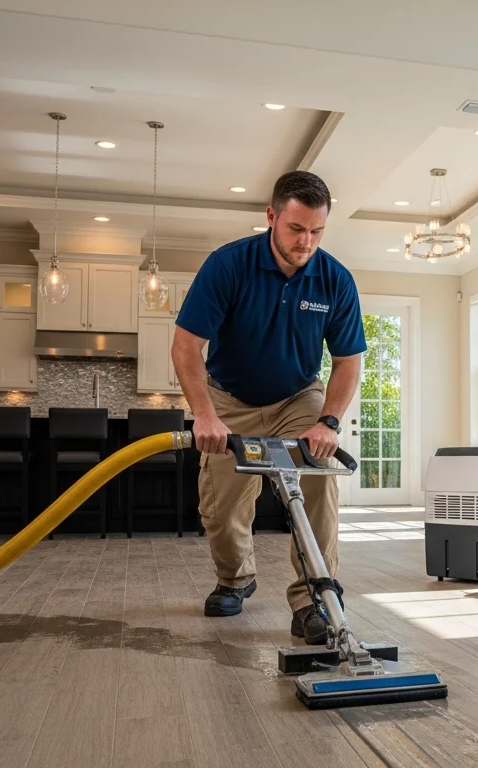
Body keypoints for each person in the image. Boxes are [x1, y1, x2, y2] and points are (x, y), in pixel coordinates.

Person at [171, 170, 364, 645]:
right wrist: (204, 414)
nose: (306, 242)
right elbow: (185, 346)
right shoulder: (228, 265)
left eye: (317, 231)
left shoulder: (334, 279)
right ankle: (236, 579)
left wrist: (328, 421)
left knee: (317, 485)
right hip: (228, 399)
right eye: (296, 229)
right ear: (272, 217)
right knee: (221, 510)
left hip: (297, 396)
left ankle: (314, 598)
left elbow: (347, 361)